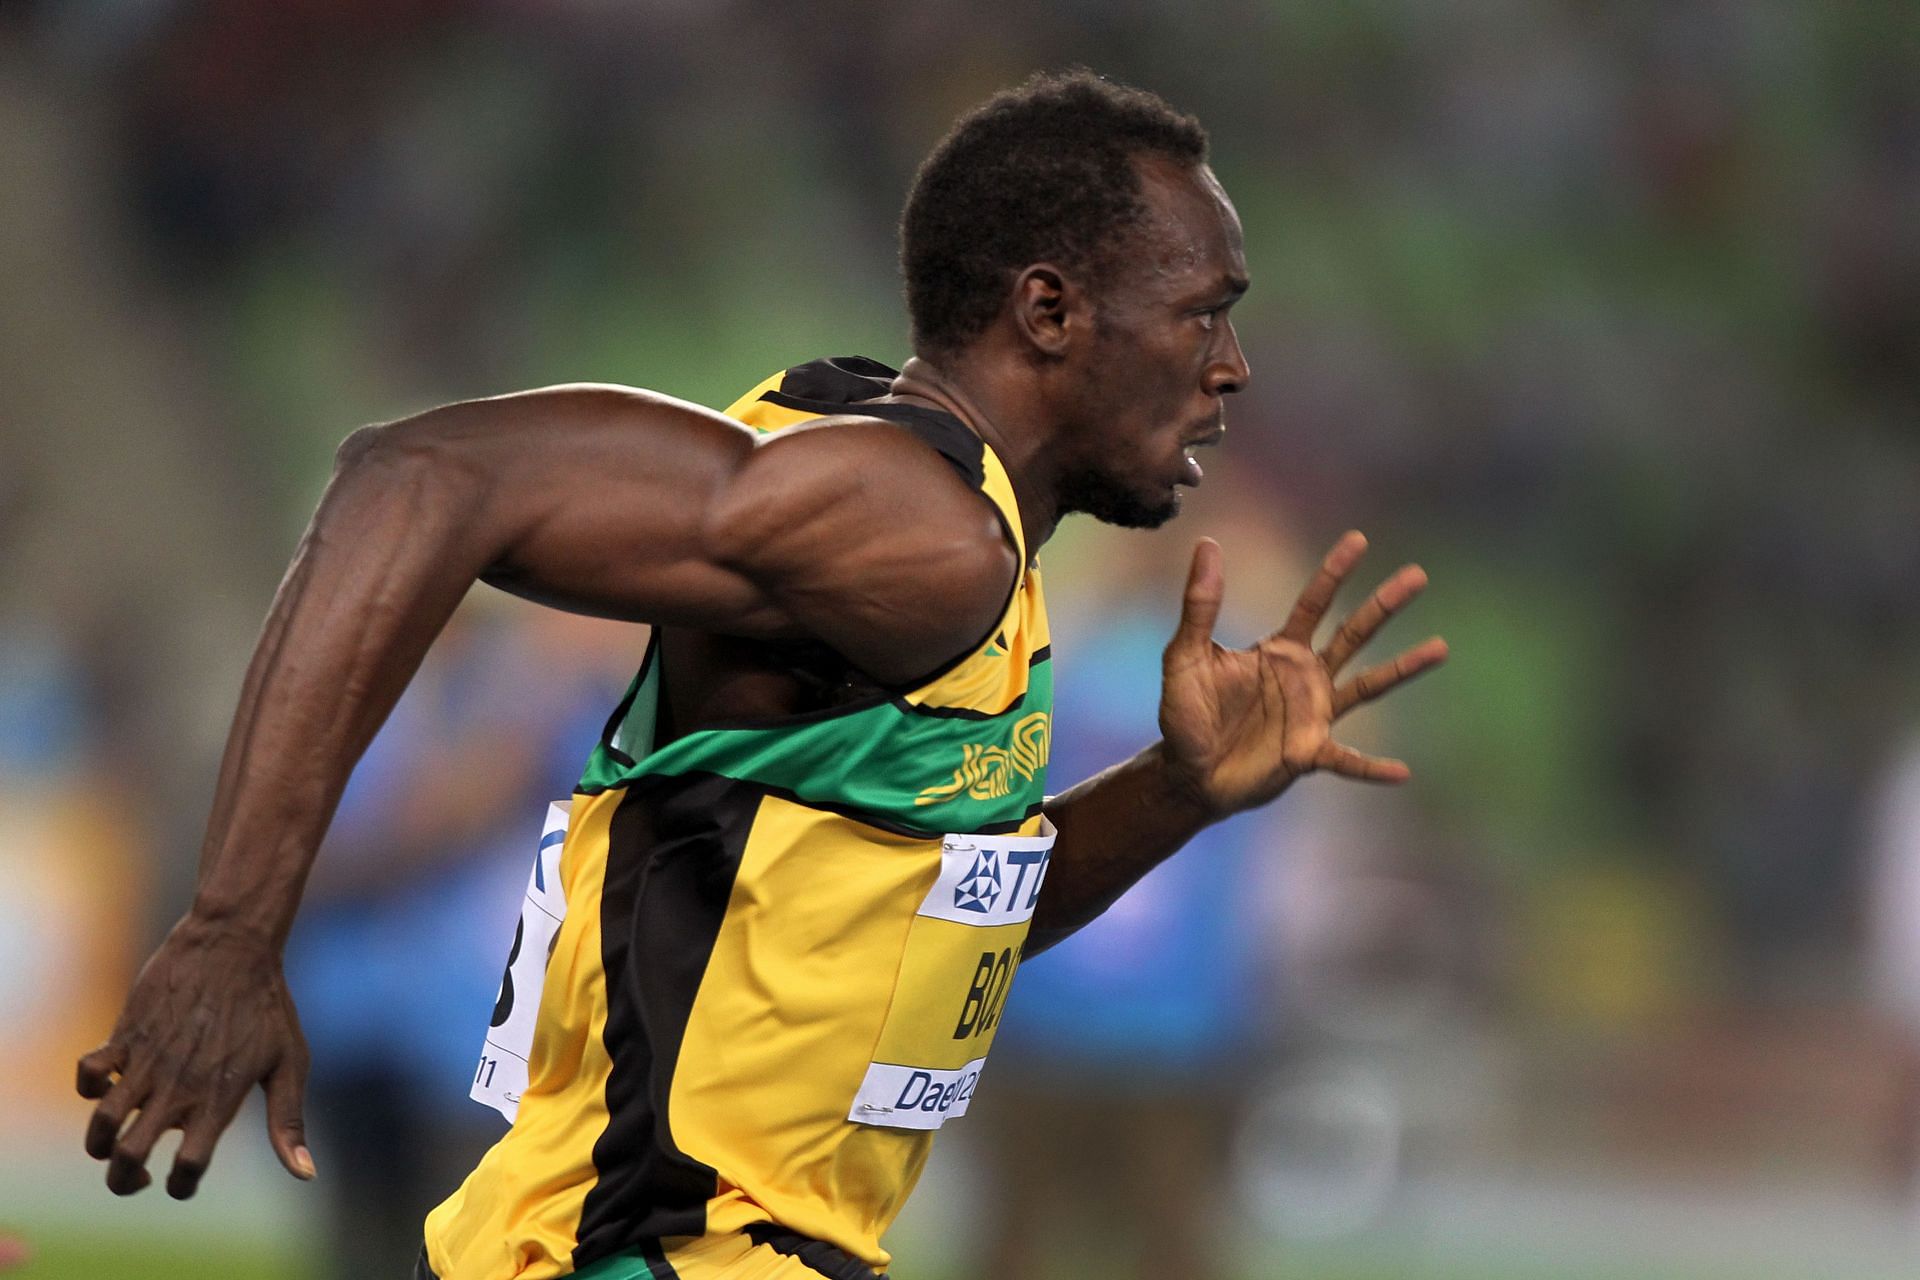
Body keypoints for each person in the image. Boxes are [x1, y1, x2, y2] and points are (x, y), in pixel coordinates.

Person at [75, 71, 1448, 1280]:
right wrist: (227, 933)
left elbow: (929, 921)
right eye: (1203, 314)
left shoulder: (956, 546)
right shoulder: (920, 530)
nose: (1234, 367)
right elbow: (416, 479)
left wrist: (1179, 792)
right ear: (1049, 310)